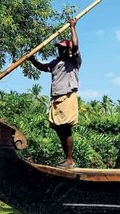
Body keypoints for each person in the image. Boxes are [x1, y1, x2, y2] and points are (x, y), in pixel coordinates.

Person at [28, 18, 81, 169]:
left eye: (63, 48)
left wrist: (72, 27)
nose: (60, 50)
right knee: (58, 129)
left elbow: (76, 45)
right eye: (59, 48)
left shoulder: (74, 61)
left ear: (69, 50)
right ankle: (67, 159)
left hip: (67, 96)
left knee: (65, 128)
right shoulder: (55, 62)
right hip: (56, 99)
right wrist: (32, 60)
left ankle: (70, 160)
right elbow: (43, 67)